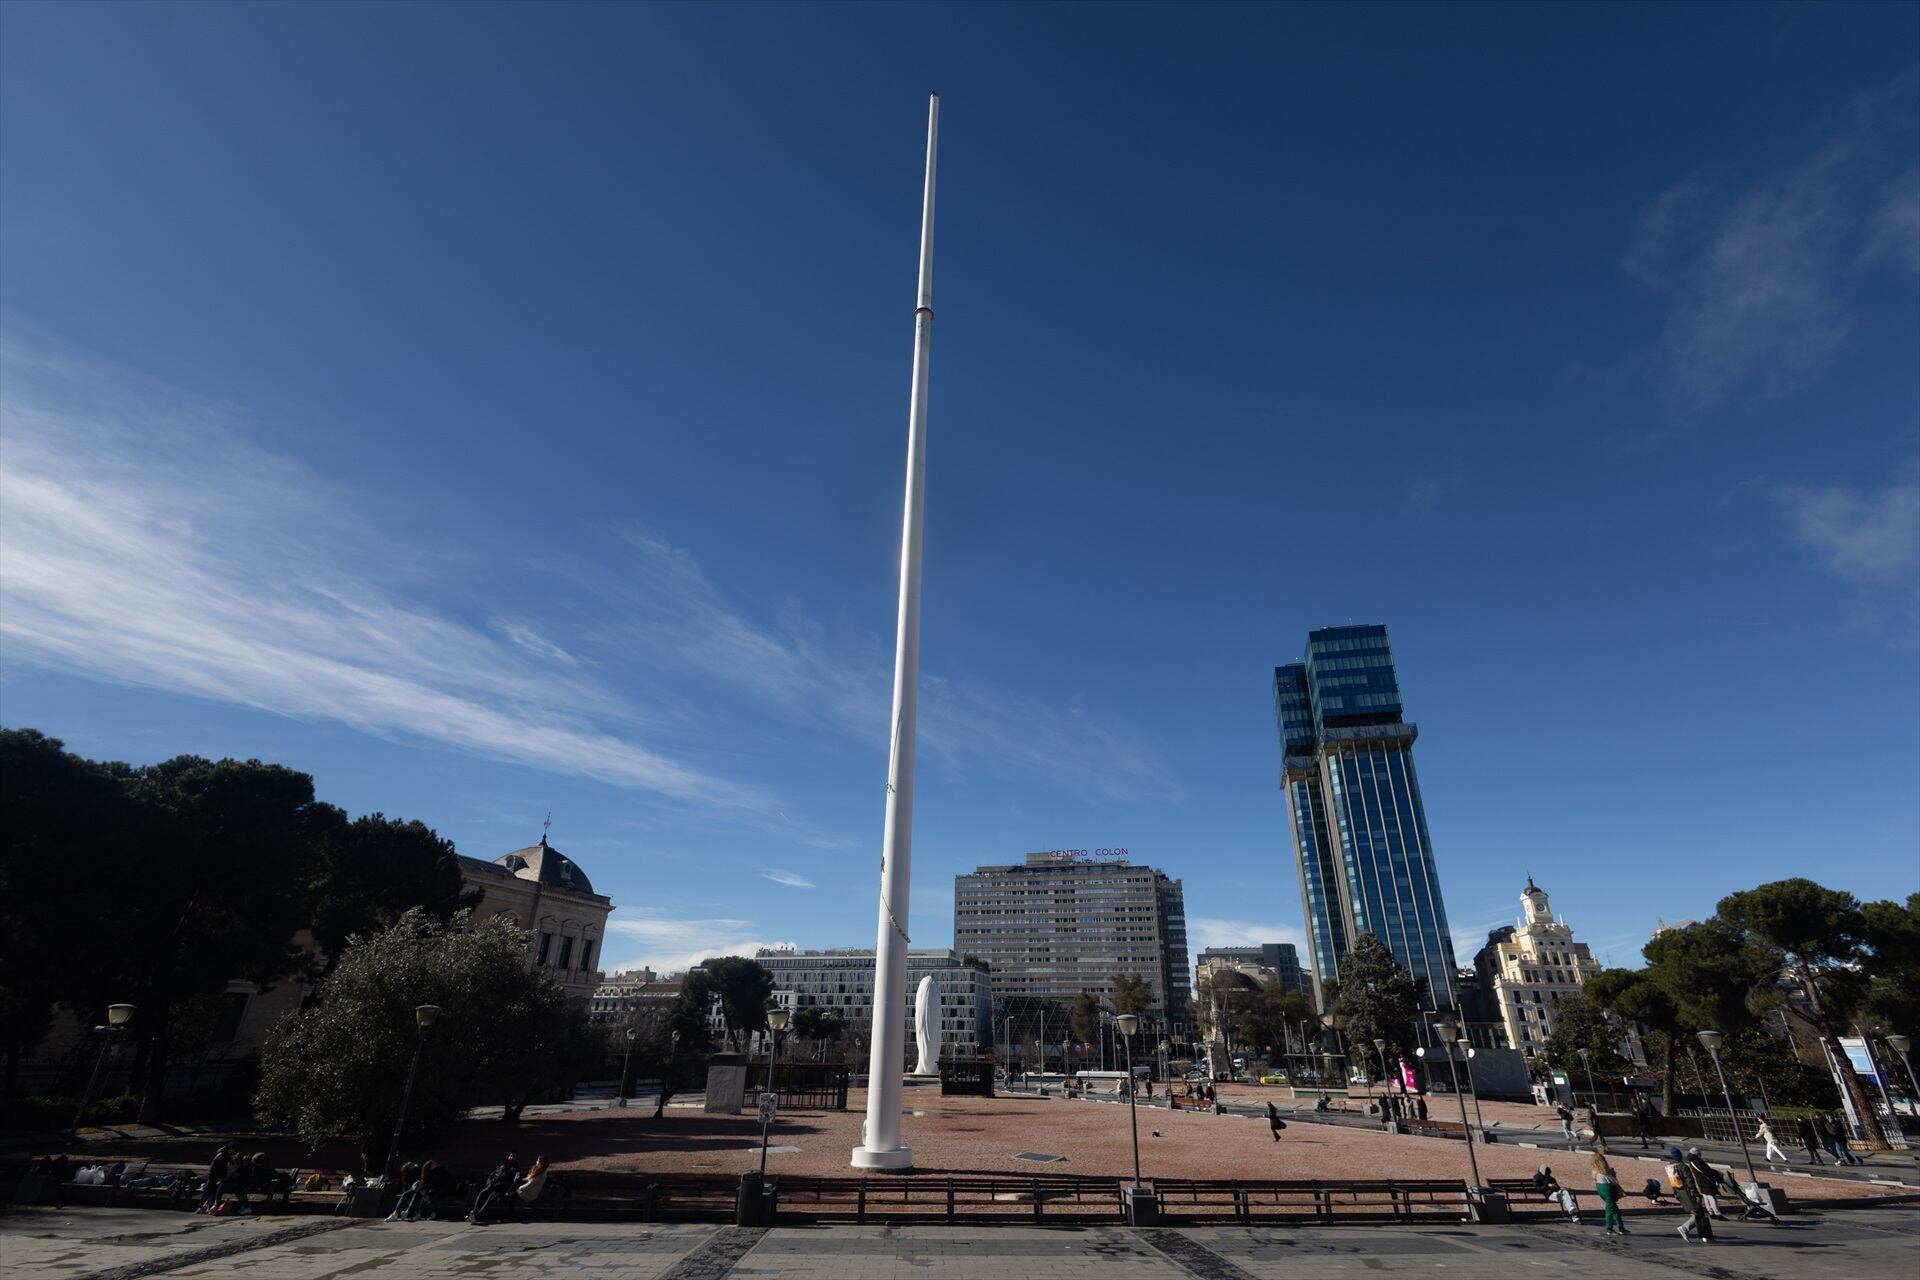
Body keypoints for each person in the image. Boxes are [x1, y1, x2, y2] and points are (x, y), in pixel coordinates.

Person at [1666, 1146, 1712, 1243]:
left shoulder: (1670, 1167)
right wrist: (1695, 1193)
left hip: (1680, 1192)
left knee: (1697, 1213)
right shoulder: (1683, 1167)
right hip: (1688, 1193)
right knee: (1698, 1213)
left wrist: (1676, 1194)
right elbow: (1689, 1181)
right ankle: (1685, 1228)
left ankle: (1705, 1236)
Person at [468, 1152, 521, 1224]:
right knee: (481, 1194)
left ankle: (477, 1216)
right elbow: (491, 1176)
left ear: (516, 1159)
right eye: (511, 1155)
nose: (511, 1157)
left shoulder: (515, 1170)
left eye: (514, 1156)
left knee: (490, 1198)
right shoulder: (501, 1166)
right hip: (492, 1185)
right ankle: (474, 1213)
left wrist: (508, 1192)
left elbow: (515, 1181)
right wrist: (489, 1183)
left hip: (501, 1188)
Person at [1590, 1151, 1628, 1236]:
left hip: (1599, 1187)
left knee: (1614, 1208)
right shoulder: (1605, 1170)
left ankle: (1621, 1227)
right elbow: (1614, 1181)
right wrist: (1614, 1174)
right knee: (1610, 1209)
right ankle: (1609, 1229)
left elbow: (1594, 1178)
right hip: (1607, 1188)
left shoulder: (1595, 1170)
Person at [1684, 1148, 1727, 1220]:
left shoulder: (1692, 1160)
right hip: (1705, 1181)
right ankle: (1717, 1214)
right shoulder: (1696, 1161)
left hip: (1700, 1181)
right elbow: (1706, 1171)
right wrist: (1716, 1172)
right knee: (1712, 1197)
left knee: (1706, 1197)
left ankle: (1711, 1212)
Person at [196, 1146, 231, 1215]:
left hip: (214, 1175)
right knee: (210, 1189)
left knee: (211, 1189)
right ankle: (203, 1206)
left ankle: (205, 1206)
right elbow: (222, 1168)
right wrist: (223, 1176)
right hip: (216, 1175)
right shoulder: (224, 1156)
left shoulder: (221, 1154)